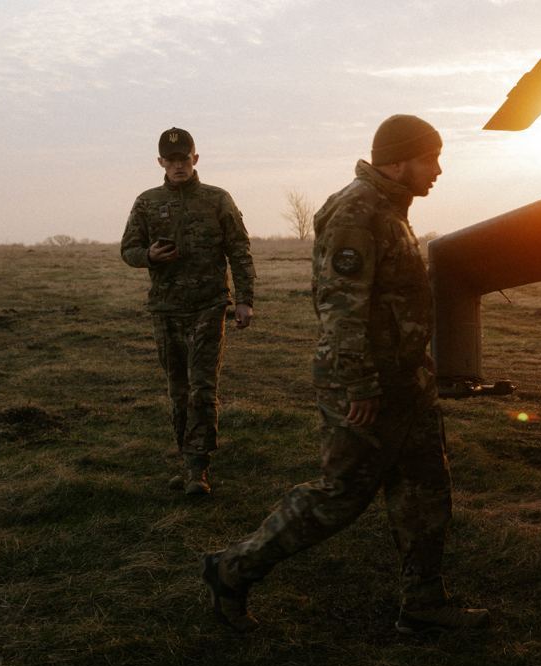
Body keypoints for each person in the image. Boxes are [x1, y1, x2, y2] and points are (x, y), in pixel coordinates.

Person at [201, 115, 488, 635]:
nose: (439, 170)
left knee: (426, 491)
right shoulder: (357, 211)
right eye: (431, 158)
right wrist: (359, 384)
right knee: (340, 497)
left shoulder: (389, 208)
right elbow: (339, 306)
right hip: (364, 388)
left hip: (406, 383)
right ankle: (231, 569)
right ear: (398, 160)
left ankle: (424, 605)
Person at [120, 127, 256, 495]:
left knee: (202, 387)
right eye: (171, 160)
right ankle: (186, 458)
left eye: (185, 159)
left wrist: (244, 300)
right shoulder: (147, 202)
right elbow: (129, 249)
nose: (179, 166)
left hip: (209, 306)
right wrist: (148, 255)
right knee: (178, 389)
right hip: (165, 310)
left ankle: (199, 468)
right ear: (161, 162)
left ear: (195, 159)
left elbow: (240, 251)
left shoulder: (217, 199)